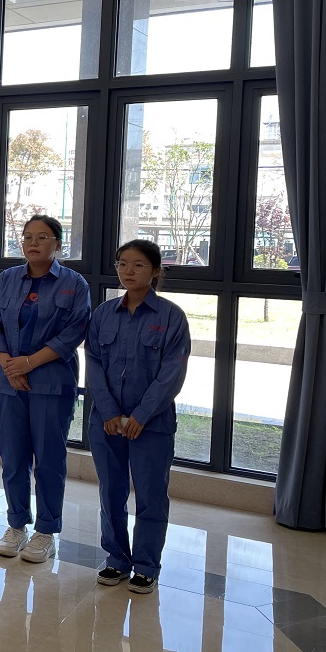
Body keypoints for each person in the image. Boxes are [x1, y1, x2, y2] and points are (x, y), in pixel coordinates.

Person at [0, 214, 90, 562]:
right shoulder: (7, 279)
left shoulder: (74, 284)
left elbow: (74, 331)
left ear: (58, 244)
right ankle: (16, 524)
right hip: (9, 382)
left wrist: (29, 363)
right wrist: (8, 365)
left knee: (49, 460)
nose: (33, 243)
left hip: (51, 382)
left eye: (42, 237)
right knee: (13, 458)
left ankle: (46, 530)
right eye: (28, 236)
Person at [86, 239, 191, 594]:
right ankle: (116, 558)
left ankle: (146, 565)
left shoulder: (171, 317)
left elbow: (172, 373)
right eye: (122, 264)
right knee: (111, 493)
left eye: (139, 265)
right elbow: (94, 364)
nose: (128, 271)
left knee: (151, 494)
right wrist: (109, 411)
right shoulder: (103, 314)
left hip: (152, 424)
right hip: (107, 423)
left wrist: (142, 415)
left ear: (156, 271)